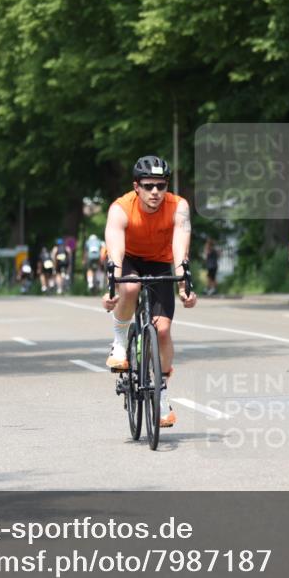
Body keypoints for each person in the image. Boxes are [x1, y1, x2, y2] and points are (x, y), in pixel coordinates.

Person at [103, 155, 197, 428]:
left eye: (161, 185)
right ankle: (120, 341)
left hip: (160, 262)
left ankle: (162, 391)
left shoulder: (179, 207)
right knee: (131, 286)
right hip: (129, 259)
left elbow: (180, 248)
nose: (155, 191)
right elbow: (116, 254)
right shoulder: (120, 209)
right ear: (136, 186)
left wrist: (184, 286)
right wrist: (113, 288)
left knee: (163, 330)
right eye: (148, 186)